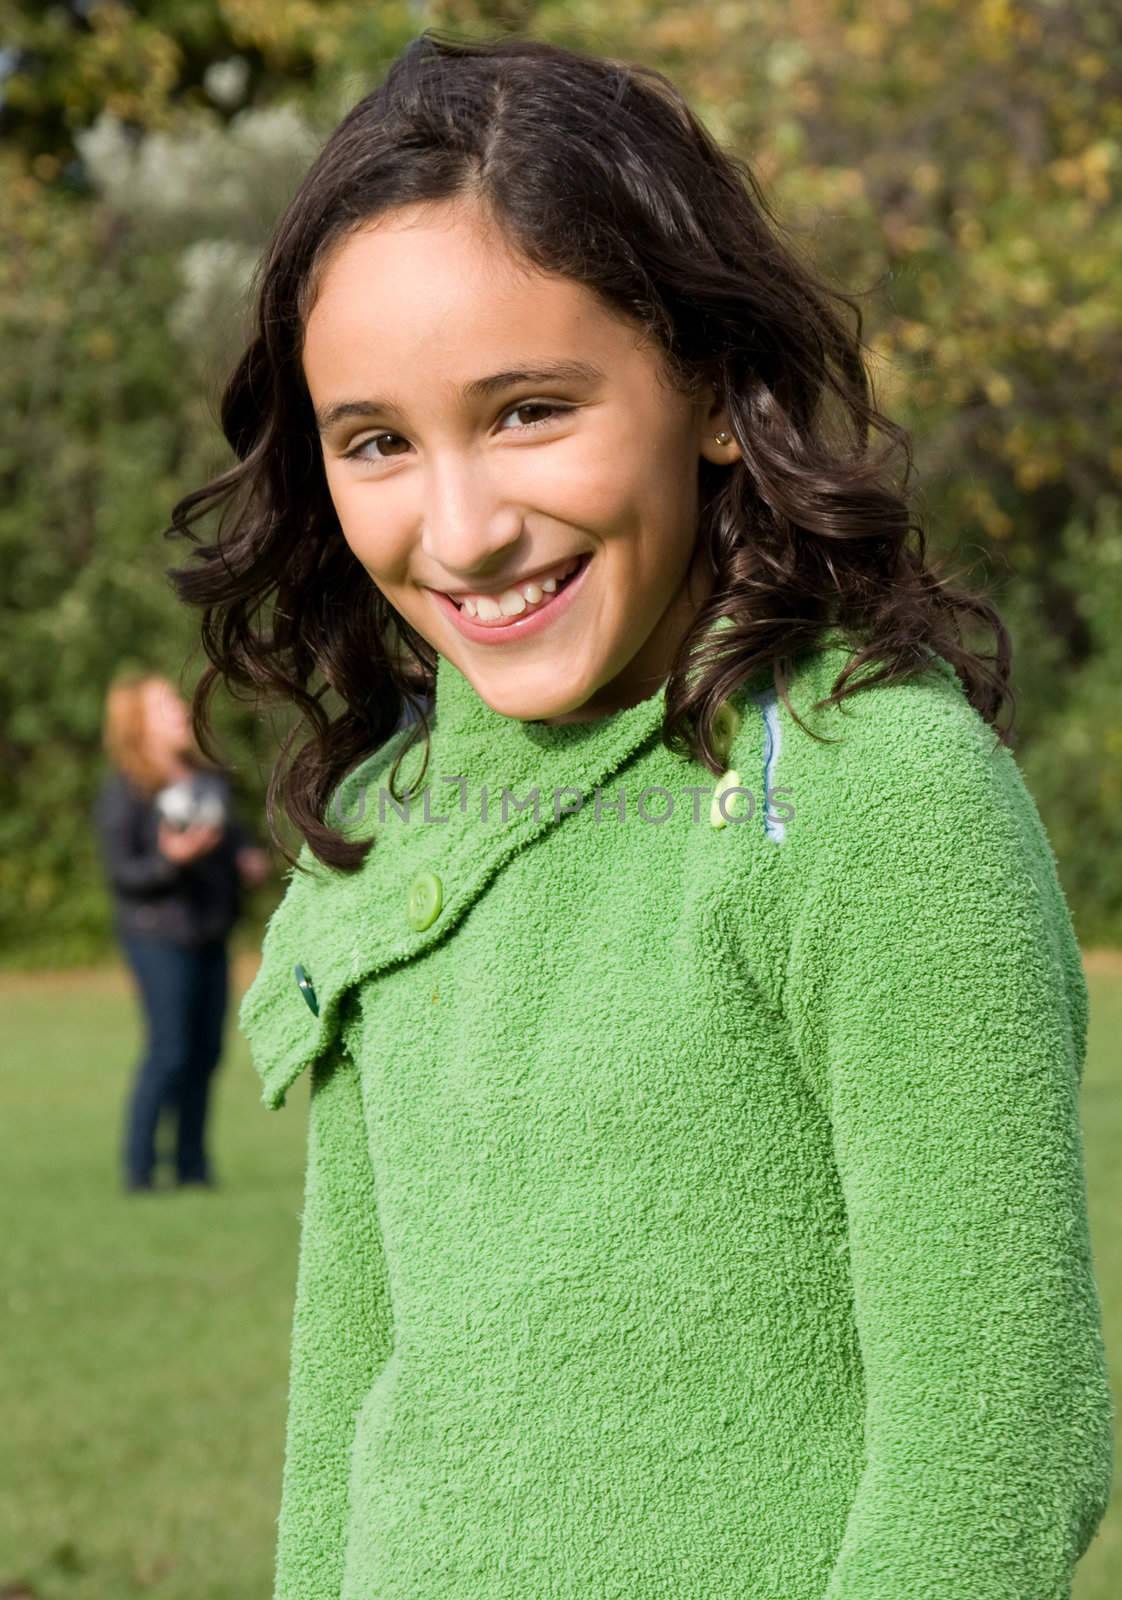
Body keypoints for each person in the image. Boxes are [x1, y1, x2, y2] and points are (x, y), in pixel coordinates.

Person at [163, 32, 1113, 1600]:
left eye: (530, 409)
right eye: (378, 442)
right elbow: (345, 1399)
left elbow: (999, 1439)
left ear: (715, 395)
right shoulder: (386, 821)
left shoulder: (872, 788)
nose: (461, 530)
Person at [94, 672, 271, 1193]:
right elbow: (122, 874)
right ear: (138, 725)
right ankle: (140, 1169)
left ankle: (192, 1166)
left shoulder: (205, 779)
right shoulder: (125, 791)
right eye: (166, 707)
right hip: (156, 935)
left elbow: (232, 836)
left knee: (207, 1053)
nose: (180, 711)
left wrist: (246, 858)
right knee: (169, 1049)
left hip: (210, 933)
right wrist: (169, 863)